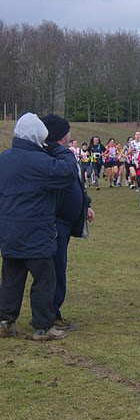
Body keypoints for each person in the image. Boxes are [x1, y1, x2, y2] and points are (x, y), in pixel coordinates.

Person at [0, 113, 79, 341]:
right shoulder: (42, 163)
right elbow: (68, 171)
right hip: (36, 232)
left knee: (11, 279)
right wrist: (57, 148)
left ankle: (5, 321)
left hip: (9, 232)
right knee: (44, 279)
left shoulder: (4, 159)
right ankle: (43, 327)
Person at [41, 115, 96, 332]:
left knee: (58, 268)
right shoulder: (51, 156)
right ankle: (51, 314)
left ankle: (52, 311)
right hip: (56, 222)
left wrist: (85, 204)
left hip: (65, 221)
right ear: (62, 135)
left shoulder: (63, 155)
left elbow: (76, 184)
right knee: (54, 269)